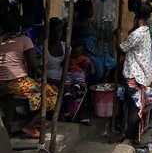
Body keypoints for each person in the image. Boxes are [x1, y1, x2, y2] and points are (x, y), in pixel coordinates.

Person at [0, 9, 57, 138]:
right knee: (51, 91)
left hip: (1, 86)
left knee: (36, 88)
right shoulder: (24, 39)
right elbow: (34, 65)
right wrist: (44, 76)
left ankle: (34, 121)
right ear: (18, 24)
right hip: (17, 84)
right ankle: (30, 126)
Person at [119, 1, 152, 145]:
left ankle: (128, 139)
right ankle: (134, 137)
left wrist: (117, 36)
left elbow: (121, 48)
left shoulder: (137, 34)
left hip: (134, 75)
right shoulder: (148, 31)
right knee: (135, 106)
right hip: (142, 75)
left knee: (134, 108)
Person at [72, 0, 116, 82]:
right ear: (84, 11)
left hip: (95, 52)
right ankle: (88, 86)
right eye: (90, 9)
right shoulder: (75, 24)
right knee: (98, 71)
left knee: (112, 63)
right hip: (86, 53)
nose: (92, 10)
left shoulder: (89, 23)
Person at [63, 40, 95, 121]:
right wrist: (67, 65)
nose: (75, 55)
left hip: (78, 73)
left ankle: (77, 86)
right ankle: (67, 93)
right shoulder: (69, 58)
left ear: (81, 53)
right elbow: (62, 64)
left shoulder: (83, 58)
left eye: (77, 53)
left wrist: (92, 68)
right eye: (74, 52)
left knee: (80, 79)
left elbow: (90, 63)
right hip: (69, 74)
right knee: (66, 80)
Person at [46, 17, 66, 87]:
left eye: (59, 30)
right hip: (49, 83)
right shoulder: (43, 49)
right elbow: (38, 71)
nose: (57, 34)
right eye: (54, 32)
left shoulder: (67, 47)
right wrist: (54, 82)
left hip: (66, 81)